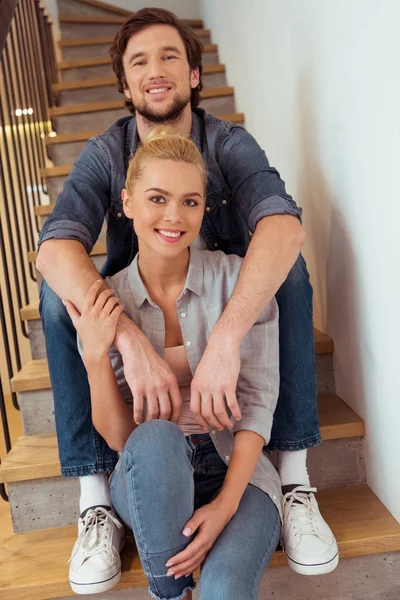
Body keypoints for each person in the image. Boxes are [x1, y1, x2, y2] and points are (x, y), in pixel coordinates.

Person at [36, 7, 338, 595]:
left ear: (196, 75)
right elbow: (54, 250)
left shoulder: (227, 142)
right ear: (124, 86)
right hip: (144, 291)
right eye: (139, 62)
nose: (156, 70)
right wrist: (120, 339)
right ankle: (94, 494)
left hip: (228, 295)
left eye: (170, 56)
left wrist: (227, 336)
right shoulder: (107, 152)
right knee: (60, 300)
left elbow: (282, 228)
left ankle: (296, 477)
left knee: (290, 274)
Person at [64, 126, 283, 600]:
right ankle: (169, 591)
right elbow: (124, 439)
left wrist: (224, 507)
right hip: (151, 476)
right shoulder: (108, 302)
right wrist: (98, 356)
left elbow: (259, 407)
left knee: (224, 589)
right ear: (126, 202)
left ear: (205, 209)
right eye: (157, 198)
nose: (174, 215)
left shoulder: (239, 284)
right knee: (157, 436)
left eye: (190, 201)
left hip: (238, 473)